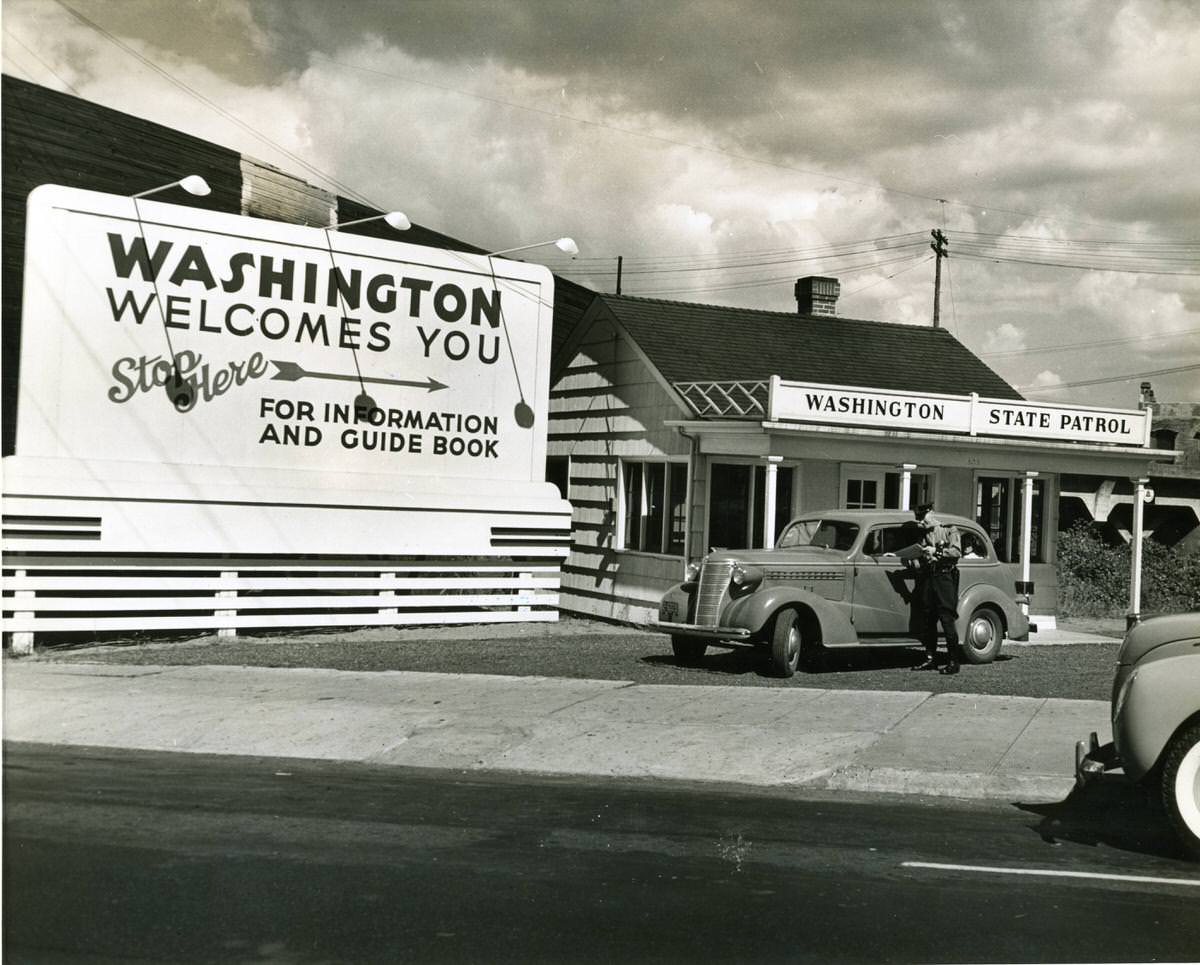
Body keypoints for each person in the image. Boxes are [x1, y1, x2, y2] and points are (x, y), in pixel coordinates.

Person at [908, 502, 963, 674]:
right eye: (918, 518)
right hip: (929, 577)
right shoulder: (923, 534)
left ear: (931, 512)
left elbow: (956, 552)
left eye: (922, 517)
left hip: (944, 576)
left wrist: (937, 553)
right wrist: (913, 558)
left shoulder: (949, 529)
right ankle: (930, 659)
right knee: (928, 619)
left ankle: (954, 662)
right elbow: (919, 555)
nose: (921, 522)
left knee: (947, 619)